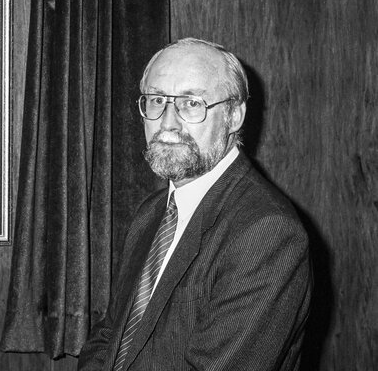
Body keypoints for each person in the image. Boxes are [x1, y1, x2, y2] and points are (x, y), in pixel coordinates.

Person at [78, 38, 312, 371]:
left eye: (191, 103)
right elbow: (108, 337)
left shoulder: (268, 232)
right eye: (157, 99)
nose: (168, 122)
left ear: (233, 116)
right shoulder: (151, 213)